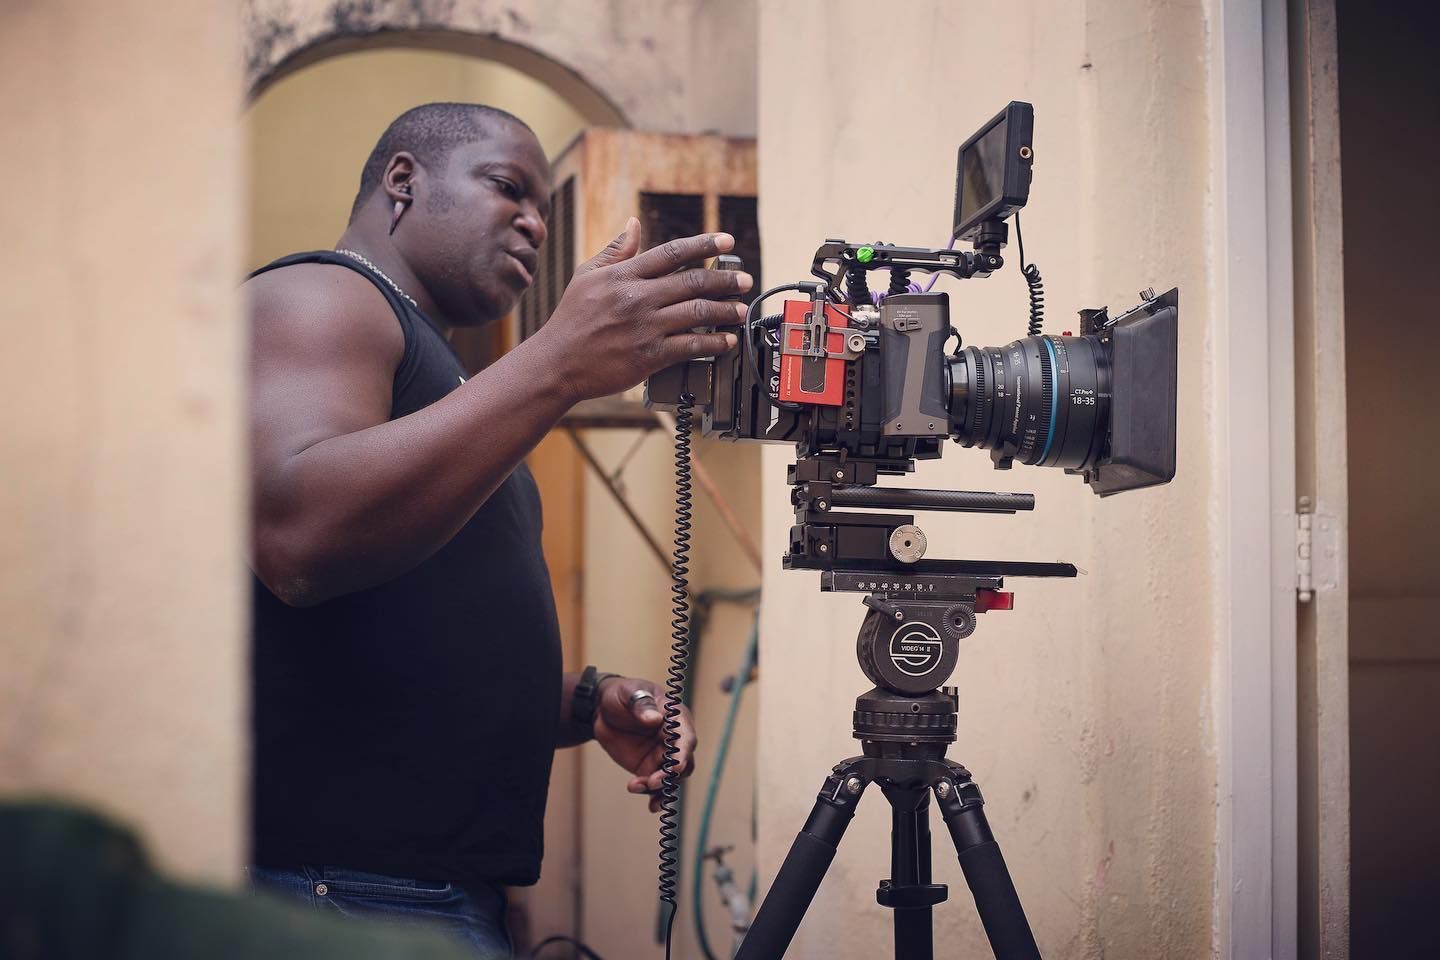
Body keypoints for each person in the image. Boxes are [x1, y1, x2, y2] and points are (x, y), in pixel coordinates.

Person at [244, 102, 749, 957]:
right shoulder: (322, 295)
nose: (535, 224)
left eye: (543, 208)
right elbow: (299, 539)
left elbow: (405, 646)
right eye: (508, 187)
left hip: (421, 890)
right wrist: (557, 364)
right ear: (403, 180)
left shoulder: (444, 378)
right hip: (346, 893)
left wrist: (582, 701)